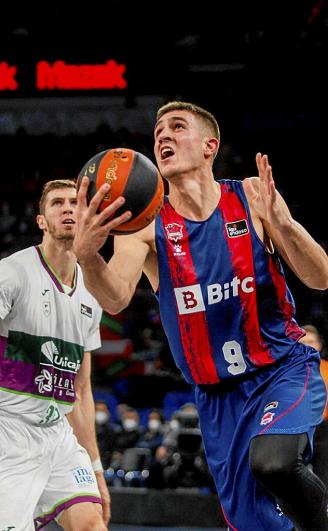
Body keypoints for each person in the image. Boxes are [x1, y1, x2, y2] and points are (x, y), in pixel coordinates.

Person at [74, 101, 328, 530]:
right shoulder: (146, 227)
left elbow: (319, 276)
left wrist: (282, 224)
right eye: (157, 132)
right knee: (256, 524)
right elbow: (115, 297)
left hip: (281, 369)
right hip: (217, 398)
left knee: (274, 463)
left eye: (177, 127)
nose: (163, 136)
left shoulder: (250, 195)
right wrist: (87, 256)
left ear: (210, 145)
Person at [0, 179, 110, 530]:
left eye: (75, 203)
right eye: (57, 203)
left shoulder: (92, 293)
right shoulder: (12, 274)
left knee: (92, 524)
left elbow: (80, 390)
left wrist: (95, 469)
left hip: (58, 436)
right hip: (9, 433)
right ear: (41, 221)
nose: (67, 208)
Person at [299, 324, 328, 488]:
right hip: (296, 426)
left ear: (319, 344)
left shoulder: (327, 369)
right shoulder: (287, 372)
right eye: (303, 342)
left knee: (323, 471)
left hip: (323, 428)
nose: (307, 346)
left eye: (311, 342)